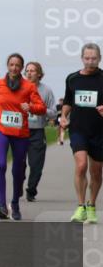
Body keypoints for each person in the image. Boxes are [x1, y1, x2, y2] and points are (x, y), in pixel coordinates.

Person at [0, 54, 46, 220]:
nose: (14, 68)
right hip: (1, 130)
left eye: (17, 65)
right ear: (7, 66)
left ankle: (15, 203)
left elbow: (42, 108)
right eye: (11, 65)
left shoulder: (29, 87)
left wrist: (30, 107)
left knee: (18, 170)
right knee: (1, 165)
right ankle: (2, 206)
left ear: (21, 67)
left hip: (20, 134)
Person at [60, 43, 103, 224]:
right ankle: (80, 207)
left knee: (96, 172)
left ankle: (91, 205)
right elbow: (68, 101)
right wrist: (63, 116)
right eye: (87, 58)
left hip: (99, 131)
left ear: (99, 58)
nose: (90, 61)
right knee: (81, 165)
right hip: (78, 129)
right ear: (82, 58)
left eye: (94, 58)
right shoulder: (72, 79)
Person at [23, 61, 56, 202]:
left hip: (37, 132)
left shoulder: (46, 91)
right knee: (19, 164)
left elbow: (53, 113)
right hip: (20, 131)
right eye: (27, 70)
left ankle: (31, 190)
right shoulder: (18, 88)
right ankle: (18, 186)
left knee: (36, 165)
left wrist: (38, 109)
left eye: (33, 70)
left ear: (39, 74)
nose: (29, 73)